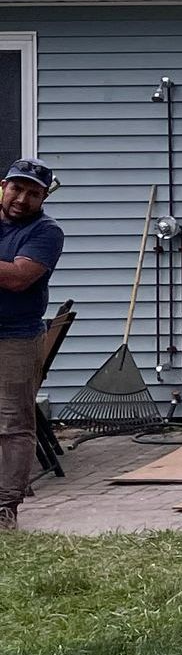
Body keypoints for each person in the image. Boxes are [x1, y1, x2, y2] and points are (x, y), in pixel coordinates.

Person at [0, 159, 64, 531]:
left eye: (33, 193)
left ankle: (5, 507)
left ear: (44, 197)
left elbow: (18, 278)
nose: (22, 199)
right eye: (17, 189)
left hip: (15, 337)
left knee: (12, 423)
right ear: (4, 186)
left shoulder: (46, 232)